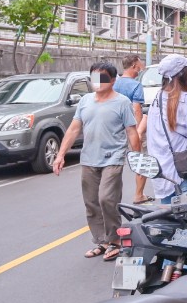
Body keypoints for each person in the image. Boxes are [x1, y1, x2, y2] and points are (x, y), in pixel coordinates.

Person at [53, 62, 140, 262]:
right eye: (94, 77)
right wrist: (60, 155)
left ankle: (115, 241)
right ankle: (101, 241)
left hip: (113, 158)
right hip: (89, 158)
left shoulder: (122, 102)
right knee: (91, 203)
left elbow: (131, 131)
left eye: (102, 78)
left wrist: (138, 158)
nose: (98, 82)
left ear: (113, 80)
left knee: (106, 198)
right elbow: (74, 129)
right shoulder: (85, 101)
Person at [146, 54, 187, 204]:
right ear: (184, 74)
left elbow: (152, 137)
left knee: (170, 221)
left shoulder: (157, 99)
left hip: (163, 174)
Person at [112, 54, 149, 204]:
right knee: (141, 161)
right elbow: (137, 110)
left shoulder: (114, 83)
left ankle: (113, 196)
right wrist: (140, 131)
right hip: (131, 128)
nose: (141, 67)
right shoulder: (135, 85)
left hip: (115, 129)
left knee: (115, 163)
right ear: (134, 65)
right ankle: (139, 195)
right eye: (140, 64)